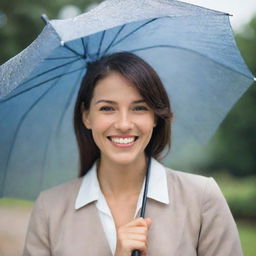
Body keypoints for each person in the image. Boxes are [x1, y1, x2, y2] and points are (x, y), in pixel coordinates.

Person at [23, 52, 243, 256]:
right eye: (108, 108)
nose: (124, 124)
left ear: (155, 117)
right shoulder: (49, 209)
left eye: (139, 108)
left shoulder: (202, 198)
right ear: (87, 116)